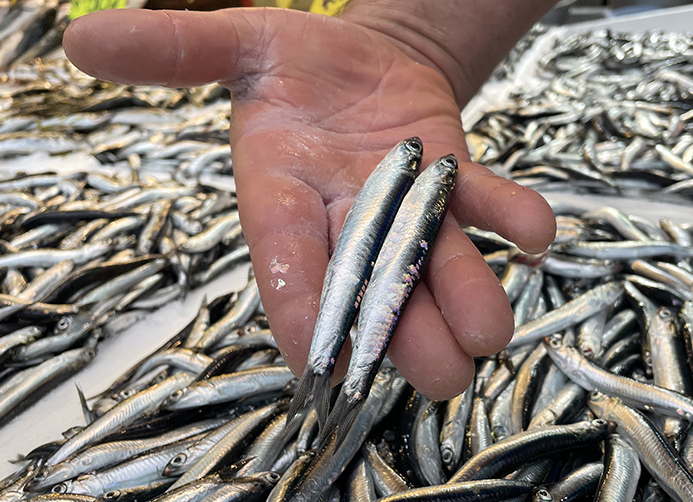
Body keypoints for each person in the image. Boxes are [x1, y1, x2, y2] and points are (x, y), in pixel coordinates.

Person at [63, 0, 559, 400]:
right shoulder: (408, 168)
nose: (416, 157)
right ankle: (334, 382)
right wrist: (408, 33)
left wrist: (418, 40)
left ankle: (339, 382)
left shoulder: (414, 175)